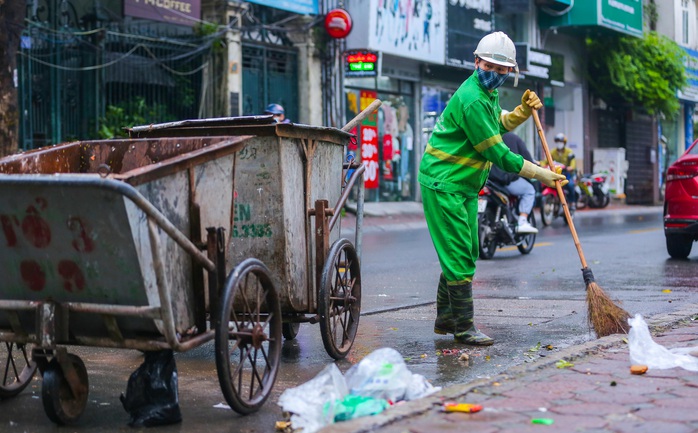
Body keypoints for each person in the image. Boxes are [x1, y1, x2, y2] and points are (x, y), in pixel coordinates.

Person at [418, 31, 567, 346]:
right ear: (477, 62)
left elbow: (498, 121)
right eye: (490, 66)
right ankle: (464, 327)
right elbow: (497, 152)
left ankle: (446, 319)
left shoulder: (485, 95)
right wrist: (541, 173)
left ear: (509, 73)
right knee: (459, 257)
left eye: (503, 70)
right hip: (444, 183)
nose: (495, 74)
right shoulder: (472, 98)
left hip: (465, 186)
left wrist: (522, 113)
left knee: (468, 252)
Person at [488, 132, 538, 234]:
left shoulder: (489, 136)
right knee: (529, 190)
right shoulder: (514, 138)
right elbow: (527, 159)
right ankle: (522, 221)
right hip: (506, 180)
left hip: (489, 179)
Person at [544, 133, 577, 210]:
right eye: (557, 141)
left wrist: (570, 167)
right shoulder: (552, 152)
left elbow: (573, 163)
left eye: (561, 141)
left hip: (566, 174)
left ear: (564, 143)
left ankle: (572, 203)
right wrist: (540, 163)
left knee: (570, 185)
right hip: (555, 174)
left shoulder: (569, 152)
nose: (559, 143)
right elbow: (546, 161)